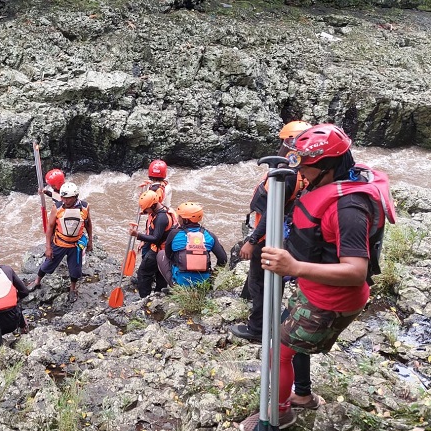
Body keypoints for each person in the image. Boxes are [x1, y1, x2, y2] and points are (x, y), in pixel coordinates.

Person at [238, 124, 396, 430]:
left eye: (307, 169)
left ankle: (280, 413)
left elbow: (355, 272)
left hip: (332, 299)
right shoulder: (328, 180)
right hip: (314, 289)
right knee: (288, 339)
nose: (303, 175)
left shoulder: (349, 209)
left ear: (328, 166)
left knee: (276, 352)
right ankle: (304, 396)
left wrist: (293, 267)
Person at [230, 120, 311, 342]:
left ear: (291, 143)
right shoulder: (302, 173)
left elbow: (271, 212)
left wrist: (252, 240)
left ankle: (257, 329)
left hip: (267, 239)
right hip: (281, 236)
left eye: (285, 142)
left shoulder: (286, 176)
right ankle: (267, 319)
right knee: (263, 282)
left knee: (260, 284)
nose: (281, 147)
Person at [27, 182, 93, 302]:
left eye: (68, 199)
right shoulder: (57, 208)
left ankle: (72, 289)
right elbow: (50, 228)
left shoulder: (84, 207)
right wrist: (48, 247)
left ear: (75, 197)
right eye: (63, 198)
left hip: (76, 244)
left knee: (75, 269)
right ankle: (37, 281)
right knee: (48, 263)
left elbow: (88, 224)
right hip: (59, 243)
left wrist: (90, 241)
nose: (65, 201)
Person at [157, 202, 227, 287]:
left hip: (181, 283)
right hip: (204, 283)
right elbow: (223, 259)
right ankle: (206, 280)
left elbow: (168, 255)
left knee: (161, 254)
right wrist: (213, 275)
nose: (178, 218)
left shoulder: (174, 233)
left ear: (186, 220)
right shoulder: (210, 235)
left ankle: (174, 284)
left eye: (180, 217)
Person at [130, 190, 176, 298]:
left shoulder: (161, 218)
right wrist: (146, 212)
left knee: (143, 273)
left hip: (158, 251)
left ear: (154, 205)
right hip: (166, 252)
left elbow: (156, 238)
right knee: (161, 274)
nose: (145, 211)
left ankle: (144, 297)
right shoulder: (162, 209)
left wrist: (137, 235)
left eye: (147, 209)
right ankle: (158, 295)